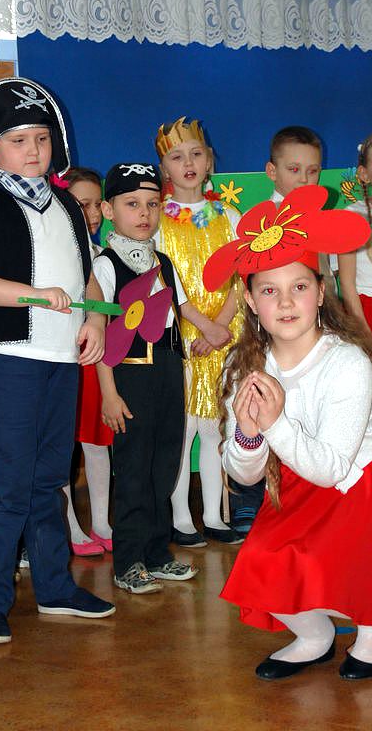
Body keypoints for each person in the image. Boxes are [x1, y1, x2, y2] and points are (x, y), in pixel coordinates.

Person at [0, 77, 115, 644]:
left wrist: (93, 320)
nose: (34, 150)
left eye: (41, 138)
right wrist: (33, 296)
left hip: (60, 360)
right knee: (7, 484)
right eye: (18, 140)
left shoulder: (65, 202)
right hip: (8, 358)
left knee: (49, 480)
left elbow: (87, 275)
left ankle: (55, 588)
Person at [203, 184, 372, 680]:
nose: (286, 302)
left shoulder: (347, 362)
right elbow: (244, 475)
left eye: (300, 287)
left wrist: (275, 422)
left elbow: (331, 469)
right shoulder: (245, 366)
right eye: (269, 290)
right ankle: (315, 637)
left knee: (361, 562)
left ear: (321, 292)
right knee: (261, 560)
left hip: (361, 480)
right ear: (249, 299)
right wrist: (248, 435)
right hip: (301, 477)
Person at [95, 162, 225, 593]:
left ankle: (156, 552)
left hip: (169, 368)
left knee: (164, 463)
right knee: (134, 467)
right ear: (109, 210)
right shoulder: (106, 266)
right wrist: (109, 393)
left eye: (152, 204)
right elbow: (101, 331)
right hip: (129, 375)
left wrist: (211, 328)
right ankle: (128, 561)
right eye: (132, 204)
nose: (144, 213)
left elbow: (181, 307)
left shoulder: (163, 261)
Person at [228, 125, 326, 538]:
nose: (304, 179)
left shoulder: (319, 220)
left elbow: (323, 279)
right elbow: (246, 285)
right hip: (267, 334)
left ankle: (306, 494)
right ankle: (249, 500)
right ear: (272, 171)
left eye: (313, 171)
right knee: (258, 404)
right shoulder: (259, 223)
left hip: (311, 331)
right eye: (294, 169)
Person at [154, 118, 243, 546]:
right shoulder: (157, 222)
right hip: (183, 338)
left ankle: (213, 515)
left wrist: (220, 326)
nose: (187, 163)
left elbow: (243, 278)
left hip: (226, 336)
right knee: (184, 428)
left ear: (209, 162)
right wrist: (202, 327)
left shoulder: (229, 216)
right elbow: (162, 283)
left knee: (214, 429)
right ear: (164, 169)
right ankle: (180, 517)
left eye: (195, 154)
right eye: (177, 157)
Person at [62, 167, 113, 556]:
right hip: (63, 359)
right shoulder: (59, 254)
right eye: (82, 204)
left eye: (97, 204)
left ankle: (101, 522)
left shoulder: (101, 254)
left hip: (95, 362)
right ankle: (69, 525)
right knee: (62, 447)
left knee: (97, 444)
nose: (92, 213)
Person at [338, 131, 372, 395]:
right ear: (364, 174)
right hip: (371, 314)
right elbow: (347, 283)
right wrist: (364, 332)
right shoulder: (353, 216)